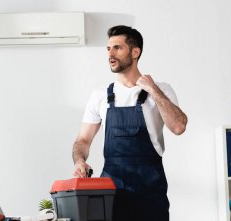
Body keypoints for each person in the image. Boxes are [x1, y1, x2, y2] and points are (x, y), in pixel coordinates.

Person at [72, 25, 188, 220]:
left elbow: (179, 126)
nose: (111, 53)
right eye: (108, 49)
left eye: (117, 47)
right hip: (111, 192)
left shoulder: (161, 90)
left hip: (150, 192)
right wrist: (79, 160)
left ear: (135, 52)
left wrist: (152, 89)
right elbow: (83, 140)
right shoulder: (100, 95)